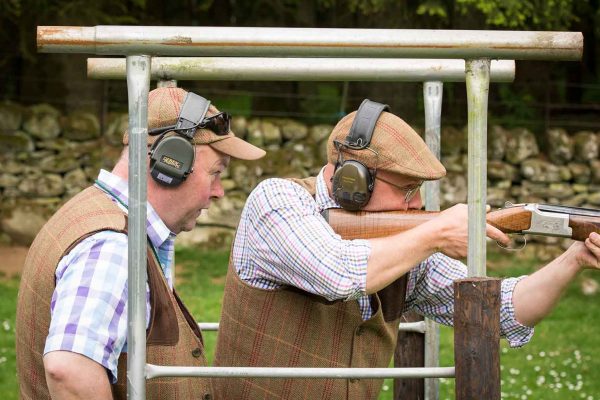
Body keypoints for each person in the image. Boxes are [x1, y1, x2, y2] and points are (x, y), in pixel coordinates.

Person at [212, 100, 600, 399]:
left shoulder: (403, 251)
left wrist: (575, 258)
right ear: (353, 180)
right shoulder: (277, 200)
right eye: (406, 190)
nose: (416, 205)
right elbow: (339, 273)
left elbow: (506, 311)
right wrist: (433, 235)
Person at [16, 87, 265, 400]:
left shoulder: (97, 214)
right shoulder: (113, 247)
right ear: (170, 163)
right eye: (215, 173)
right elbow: (69, 370)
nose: (219, 192)